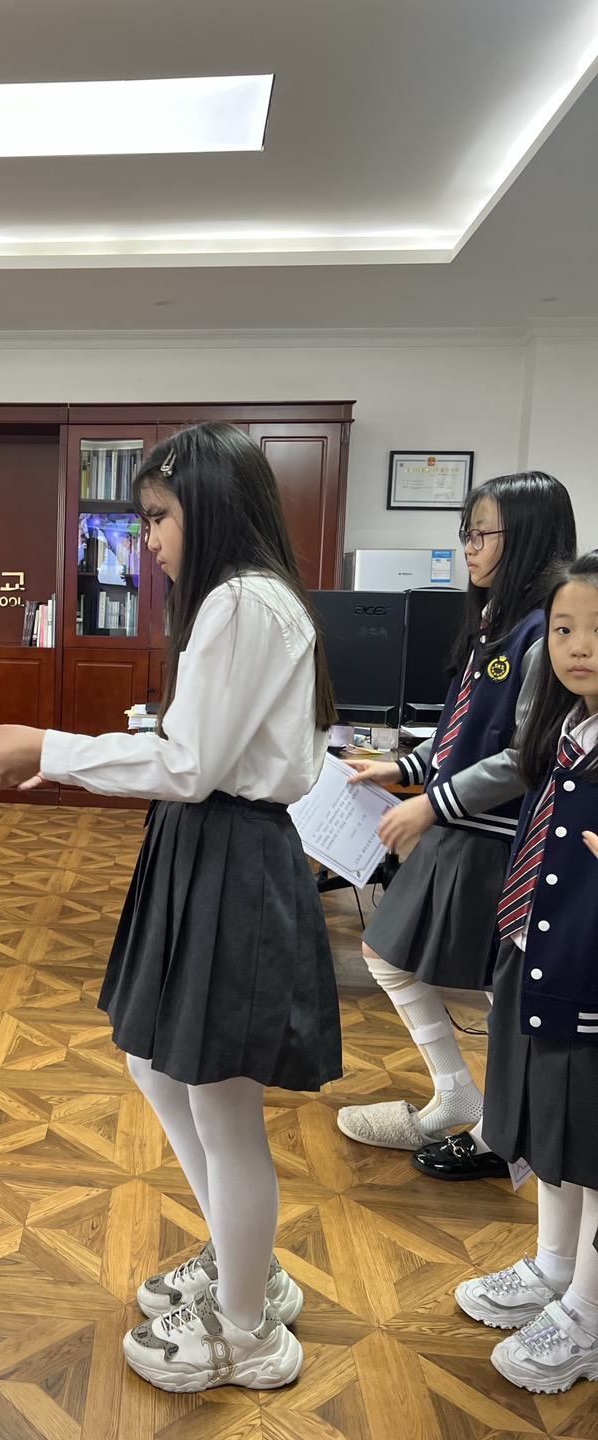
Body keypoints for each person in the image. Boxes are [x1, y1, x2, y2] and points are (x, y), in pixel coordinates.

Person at [0, 422, 341, 1394]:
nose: (150, 539)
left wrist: (49, 749)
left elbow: (190, 764)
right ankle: (240, 1261)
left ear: (210, 510)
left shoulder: (243, 602)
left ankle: (247, 1328)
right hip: (203, 848)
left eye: (161, 517)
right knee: (157, 1064)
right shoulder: (239, 601)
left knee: (220, 1102)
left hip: (231, 856)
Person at [335, 473, 576, 1179]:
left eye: (480, 533)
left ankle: (510, 1132)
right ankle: (462, 1097)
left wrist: (432, 803)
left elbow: (526, 755)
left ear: (525, 536)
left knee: (504, 989)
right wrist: (403, 768)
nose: (467, 547)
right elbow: (460, 731)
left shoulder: (543, 633)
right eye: (465, 532)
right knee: (390, 954)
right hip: (461, 825)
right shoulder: (494, 621)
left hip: (497, 838)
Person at [455, 551, 598, 1393]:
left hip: (588, 978)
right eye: (566, 628)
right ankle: (554, 1267)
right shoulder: (568, 730)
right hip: (539, 959)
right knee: (552, 1130)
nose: (578, 647)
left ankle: (588, 1312)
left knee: (591, 1144)